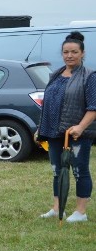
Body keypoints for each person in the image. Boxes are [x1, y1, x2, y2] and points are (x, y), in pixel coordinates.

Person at [36, 31, 96, 223]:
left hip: (76, 134)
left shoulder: (89, 76)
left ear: (82, 53)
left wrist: (80, 127)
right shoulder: (56, 74)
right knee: (57, 170)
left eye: (74, 52)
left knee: (80, 171)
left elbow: (93, 107)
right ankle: (57, 208)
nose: (69, 55)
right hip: (53, 131)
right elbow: (48, 103)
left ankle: (81, 212)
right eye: (66, 52)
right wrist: (41, 126)